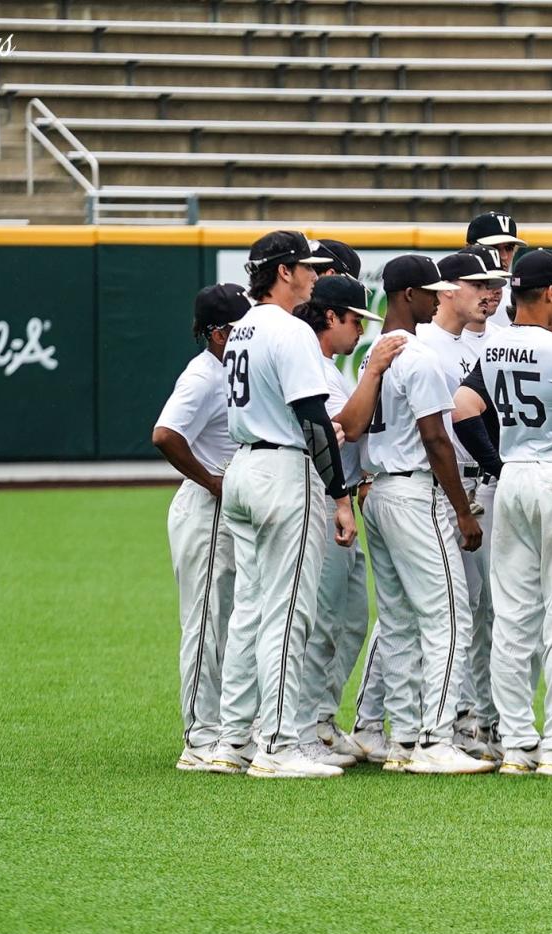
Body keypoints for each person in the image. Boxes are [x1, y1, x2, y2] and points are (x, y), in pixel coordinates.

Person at [451, 248, 552, 776]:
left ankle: (519, 743)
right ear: (548, 292)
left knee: (515, 616)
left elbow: (464, 405)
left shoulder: (494, 345)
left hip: (514, 474)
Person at [208, 230, 353, 779]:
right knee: (289, 610)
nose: (316, 275)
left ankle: (230, 741)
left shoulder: (241, 326)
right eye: (308, 267)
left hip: (243, 465)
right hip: (280, 469)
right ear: (284, 271)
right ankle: (276, 743)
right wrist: (339, 494)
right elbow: (314, 420)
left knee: (250, 609)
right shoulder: (289, 329)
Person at [345, 254, 492, 776]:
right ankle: (435, 738)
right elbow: (436, 438)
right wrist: (463, 512)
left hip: (379, 492)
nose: (437, 299)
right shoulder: (420, 355)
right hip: (414, 492)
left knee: (401, 621)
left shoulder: (373, 355)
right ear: (409, 295)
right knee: (449, 615)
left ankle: (404, 736)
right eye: (430, 291)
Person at [293, 275, 392, 769]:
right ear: (330, 317)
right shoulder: (312, 364)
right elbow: (345, 429)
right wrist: (373, 370)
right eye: (355, 320)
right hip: (318, 500)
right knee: (321, 621)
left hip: (342, 498)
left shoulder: (327, 366)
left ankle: (322, 718)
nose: (359, 331)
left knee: (350, 620)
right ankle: (302, 726)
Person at [417, 250, 511, 761]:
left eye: (496, 282)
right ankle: (443, 722)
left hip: (485, 487)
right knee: (451, 611)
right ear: (446, 289)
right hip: (443, 489)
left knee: (490, 608)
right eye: (478, 282)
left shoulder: (494, 343)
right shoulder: (422, 345)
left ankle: (482, 719)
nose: (490, 291)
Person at [153, 283, 250, 772]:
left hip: (227, 507)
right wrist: (211, 480)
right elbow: (165, 434)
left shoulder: (232, 370)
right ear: (216, 334)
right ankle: (199, 736)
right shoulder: (204, 375)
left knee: (231, 620)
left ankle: (224, 728)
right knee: (206, 622)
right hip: (205, 509)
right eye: (237, 327)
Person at [466, 211, 525, 328]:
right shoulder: (449, 300)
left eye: (509, 248)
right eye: (494, 247)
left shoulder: (518, 305)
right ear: (468, 249)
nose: (503, 256)